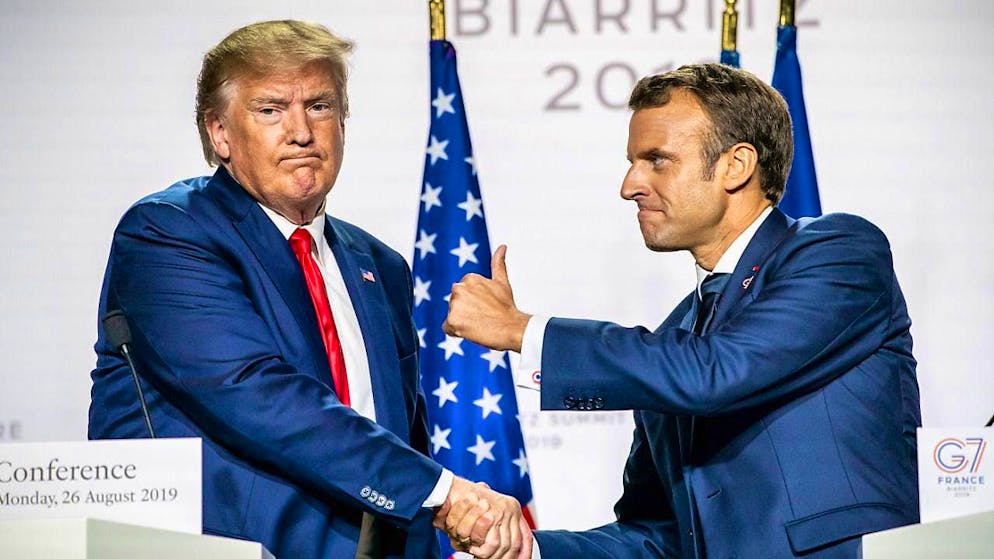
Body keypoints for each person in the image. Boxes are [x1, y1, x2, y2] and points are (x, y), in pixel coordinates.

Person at [89, 20, 529, 559]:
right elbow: (255, 393)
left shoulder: (379, 266)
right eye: (271, 110)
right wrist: (442, 493)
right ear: (219, 133)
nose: (301, 131)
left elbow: (404, 435)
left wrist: (447, 516)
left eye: (319, 106)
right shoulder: (169, 232)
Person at [444, 63, 921, 558]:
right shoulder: (674, 336)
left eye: (657, 160)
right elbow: (656, 535)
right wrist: (526, 549)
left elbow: (716, 373)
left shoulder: (839, 252)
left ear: (736, 166)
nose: (629, 185)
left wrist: (523, 331)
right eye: (632, 162)